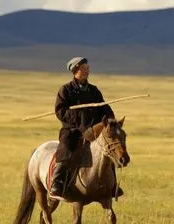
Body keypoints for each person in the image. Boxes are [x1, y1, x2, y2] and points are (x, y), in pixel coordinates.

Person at [50, 57, 123, 200]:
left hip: (93, 130)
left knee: (107, 149)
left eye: (87, 68)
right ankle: (57, 183)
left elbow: (104, 106)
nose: (87, 71)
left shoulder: (94, 90)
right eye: (84, 68)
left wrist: (110, 119)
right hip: (73, 131)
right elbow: (60, 111)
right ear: (75, 71)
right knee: (65, 149)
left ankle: (112, 185)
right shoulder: (65, 90)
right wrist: (80, 116)